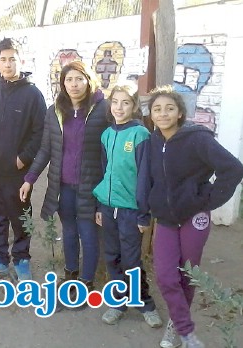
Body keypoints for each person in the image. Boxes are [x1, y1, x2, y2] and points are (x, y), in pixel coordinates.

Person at [147, 86, 243, 348]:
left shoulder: (198, 139)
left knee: (187, 275)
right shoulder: (153, 141)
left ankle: (179, 329)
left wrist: (207, 200)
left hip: (194, 218)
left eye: (169, 108)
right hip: (166, 219)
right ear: (151, 114)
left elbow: (232, 169)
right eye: (157, 109)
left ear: (180, 113)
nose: (163, 113)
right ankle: (184, 326)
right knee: (166, 276)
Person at [19, 61, 108, 292]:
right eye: (69, 79)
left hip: (92, 186)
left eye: (79, 78)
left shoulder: (103, 110)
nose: (74, 84)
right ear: (63, 84)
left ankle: (87, 282)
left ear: (89, 81)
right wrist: (29, 178)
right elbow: (46, 149)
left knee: (88, 233)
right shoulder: (55, 111)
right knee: (68, 231)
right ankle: (70, 275)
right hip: (63, 186)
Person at [0, 38, 46, 281]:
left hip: (17, 172)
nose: (7, 64)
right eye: (3, 59)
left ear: (21, 60)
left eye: (12, 59)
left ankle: (22, 259)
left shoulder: (33, 95)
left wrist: (23, 158)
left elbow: (40, 133)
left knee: (20, 215)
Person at [91, 82, 162, 327]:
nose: (119, 108)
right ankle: (118, 302)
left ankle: (145, 303)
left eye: (126, 103)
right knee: (112, 256)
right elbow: (105, 172)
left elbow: (145, 177)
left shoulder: (140, 134)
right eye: (116, 102)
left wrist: (144, 215)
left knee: (131, 260)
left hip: (131, 210)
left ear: (134, 107)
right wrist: (101, 206)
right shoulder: (107, 134)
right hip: (109, 208)